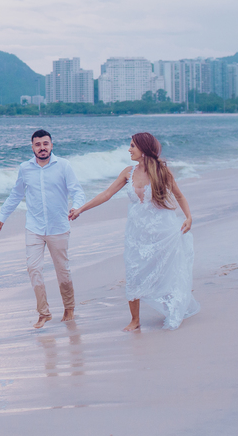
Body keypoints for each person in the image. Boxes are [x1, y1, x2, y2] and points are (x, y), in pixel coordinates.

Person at [69, 132, 199, 331]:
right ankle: (135, 320)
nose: (129, 149)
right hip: (136, 235)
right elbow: (106, 194)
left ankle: (173, 307)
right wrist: (80, 209)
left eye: (132, 146)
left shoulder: (162, 172)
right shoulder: (127, 172)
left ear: (144, 149)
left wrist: (189, 217)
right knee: (133, 272)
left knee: (167, 271)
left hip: (162, 232)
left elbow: (179, 196)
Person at [0, 129, 87, 329]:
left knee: (62, 270)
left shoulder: (64, 166)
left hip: (58, 227)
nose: (42, 148)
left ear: (52, 145)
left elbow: (76, 190)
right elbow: (16, 194)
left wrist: (76, 207)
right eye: (38, 144)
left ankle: (69, 308)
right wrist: (2, 216)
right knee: (33, 268)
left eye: (45, 144)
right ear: (32, 147)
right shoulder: (25, 168)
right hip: (34, 228)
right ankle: (43, 313)